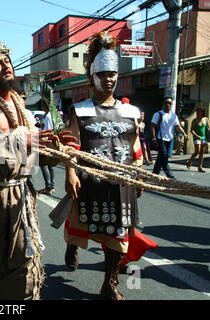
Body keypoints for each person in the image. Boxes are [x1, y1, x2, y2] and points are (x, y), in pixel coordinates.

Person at [0, 44, 76, 300]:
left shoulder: (20, 104)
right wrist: (20, 140)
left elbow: (32, 151)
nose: (6, 65)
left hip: (21, 194)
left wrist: (54, 147)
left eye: (7, 60)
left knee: (25, 256)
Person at [63, 32, 152, 300]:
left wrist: (140, 176)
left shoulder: (131, 112)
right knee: (79, 225)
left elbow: (136, 147)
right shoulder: (79, 110)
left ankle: (109, 284)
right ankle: (72, 246)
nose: (109, 79)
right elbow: (70, 146)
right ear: (93, 77)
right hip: (88, 180)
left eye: (113, 74)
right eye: (103, 74)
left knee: (118, 235)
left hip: (122, 183)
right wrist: (70, 173)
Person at [151, 97, 188, 179]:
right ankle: (170, 175)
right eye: (166, 102)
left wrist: (184, 134)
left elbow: (178, 126)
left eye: (169, 103)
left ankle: (154, 174)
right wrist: (153, 138)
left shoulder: (174, 116)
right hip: (161, 138)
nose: (168, 104)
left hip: (170, 139)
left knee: (162, 157)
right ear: (163, 104)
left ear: (171, 105)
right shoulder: (158, 114)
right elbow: (152, 126)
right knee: (164, 156)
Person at [38, 95, 56, 194]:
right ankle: (51, 186)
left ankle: (48, 187)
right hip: (52, 142)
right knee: (50, 165)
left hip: (47, 142)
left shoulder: (48, 116)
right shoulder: (52, 115)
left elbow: (49, 131)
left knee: (44, 164)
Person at [187, 107, 208, 172]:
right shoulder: (194, 120)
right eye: (196, 112)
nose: (197, 113)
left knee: (202, 152)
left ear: (202, 112)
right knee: (197, 151)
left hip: (204, 137)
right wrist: (197, 136)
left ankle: (200, 167)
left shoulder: (206, 119)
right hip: (196, 137)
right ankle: (190, 160)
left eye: (198, 112)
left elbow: (208, 128)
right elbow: (191, 130)